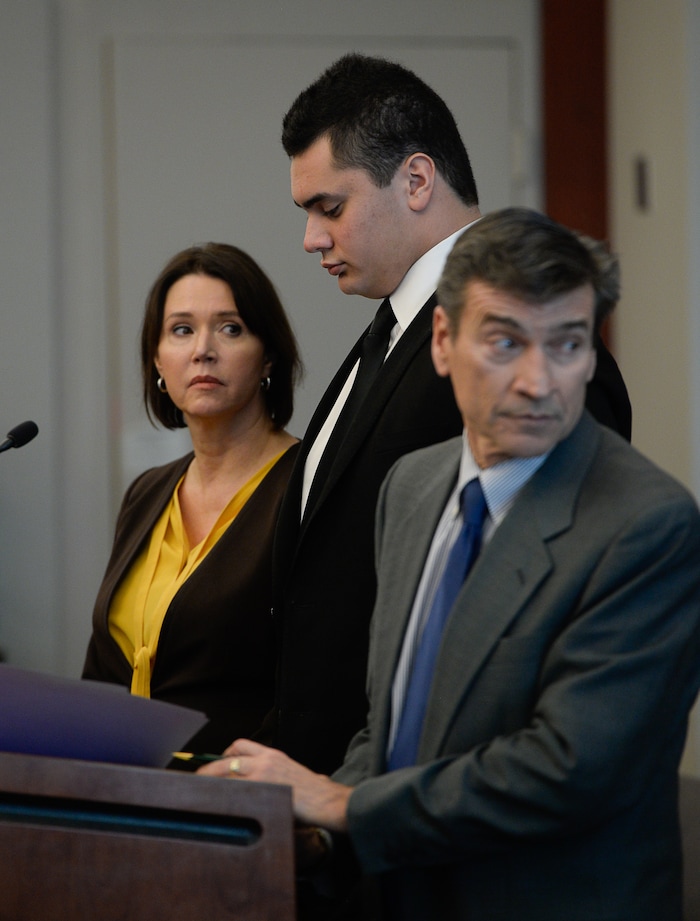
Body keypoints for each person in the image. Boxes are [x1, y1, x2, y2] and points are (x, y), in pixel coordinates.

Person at [200, 209, 700, 921]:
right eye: (505, 341)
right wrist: (315, 833)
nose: (539, 380)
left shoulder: (646, 524)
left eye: (567, 344)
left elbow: (568, 770)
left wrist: (342, 803)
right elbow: (393, 722)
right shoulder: (411, 487)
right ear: (442, 341)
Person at [268, 52, 632, 776]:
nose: (311, 238)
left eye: (329, 208)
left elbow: (542, 612)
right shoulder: (391, 328)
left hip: (442, 806)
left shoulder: (520, 353)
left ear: (416, 179)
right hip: (341, 800)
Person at [83, 243, 302, 756]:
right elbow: (102, 670)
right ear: (158, 360)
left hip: (236, 802)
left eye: (230, 328)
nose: (203, 349)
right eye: (181, 330)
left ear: (268, 354)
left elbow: (317, 681)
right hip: (119, 790)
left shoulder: (308, 485)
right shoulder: (148, 492)